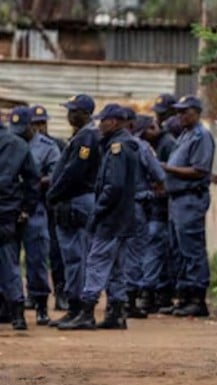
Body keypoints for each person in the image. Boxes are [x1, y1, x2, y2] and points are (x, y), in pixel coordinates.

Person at [59, 104, 139, 331]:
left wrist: (98, 211)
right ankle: (116, 313)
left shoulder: (117, 147)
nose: (99, 125)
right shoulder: (127, 145)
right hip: (123, 219)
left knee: (96, 263)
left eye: (102, 121)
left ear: (113, 122)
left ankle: (86, 312)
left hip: (111, 219)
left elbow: (113, 186)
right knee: (116, 268)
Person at [46, 94, 102, 327]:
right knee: (71, 257)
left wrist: (53, 193)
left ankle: (80, 308)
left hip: (77, 200)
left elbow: (76, 172)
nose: (70, 115)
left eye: (74, 111)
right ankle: (73, 308)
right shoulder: (80, 136)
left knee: (77, 256)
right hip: (72, 200)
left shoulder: (87, 136)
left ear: (86, 114)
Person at [160, 95, 214, 318]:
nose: (180, 116)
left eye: (185, 112)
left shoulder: (202, 136)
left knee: (191, 249)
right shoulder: (185, 135)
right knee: (178, 249)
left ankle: (197, 298)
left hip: (190, 198)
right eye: (178, 112)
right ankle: (183, 297)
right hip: (177, 200)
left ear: (196, 112)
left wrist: (166, 168)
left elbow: (199, 170)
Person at [9, 106, 61, 326]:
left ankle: (40, 305)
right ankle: (13, 306)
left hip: (36, 208)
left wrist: (36, 182)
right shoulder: (9, 143)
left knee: (37, 259)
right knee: (9, 260)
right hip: (9, 208)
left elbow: (57, 175)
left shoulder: (48, 147)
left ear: (34, 125)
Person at [0, 115, 40, 330]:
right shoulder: (18, 144)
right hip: (7, 211)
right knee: (10, 262)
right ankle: (17, 313)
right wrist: (26, 208)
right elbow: (32, 179)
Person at [125, 113, 166, 319]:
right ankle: (130, 301)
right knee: (134, 252)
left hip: (110, 207)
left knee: (112, 253)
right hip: (136, 206)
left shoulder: (105, 144)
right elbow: (159, 175)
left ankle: (114, 301)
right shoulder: (141, 147)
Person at [31, 104, 69, 312]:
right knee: (33, 254)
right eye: (36, 124)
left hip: (52, 205)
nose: (39, 127)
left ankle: (61, 293)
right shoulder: (19, 144)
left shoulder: (58, 145)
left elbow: (61, 175)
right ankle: (32, 294)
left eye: (42, 123)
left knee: (56, 252)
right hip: (28, 204)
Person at [141, 117, 177, 313]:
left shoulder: (166, 144)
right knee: (156, 250)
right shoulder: (155, 144)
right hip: (153, 207)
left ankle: (150, 293)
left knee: (154, 250)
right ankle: (157, 294)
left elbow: (162, 179)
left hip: (159, 207)